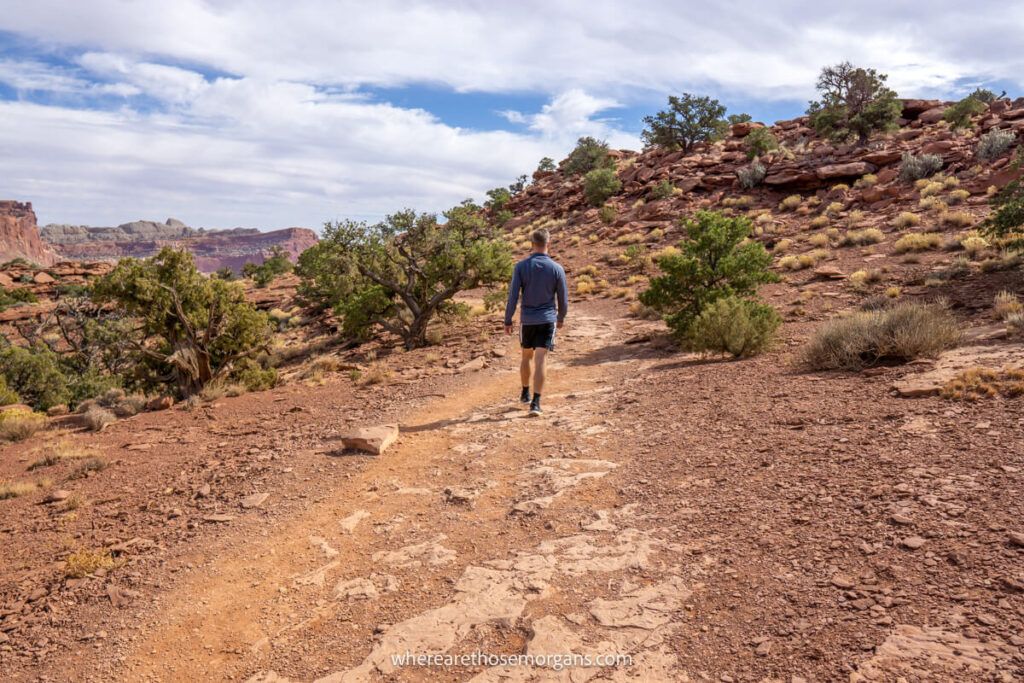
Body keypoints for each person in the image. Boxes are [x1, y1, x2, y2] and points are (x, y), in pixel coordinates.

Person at [504, 227, 568, 416]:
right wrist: (561, 317)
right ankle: (536, 403)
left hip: (528, 320)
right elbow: (563, 299)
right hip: (548, 319)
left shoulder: (521, 267)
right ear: (549, 244)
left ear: (532, 244)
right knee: (541, 359)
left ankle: (525, 392)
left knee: (526, 357)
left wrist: (508, 320)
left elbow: (513, 297)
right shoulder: (557, 268)